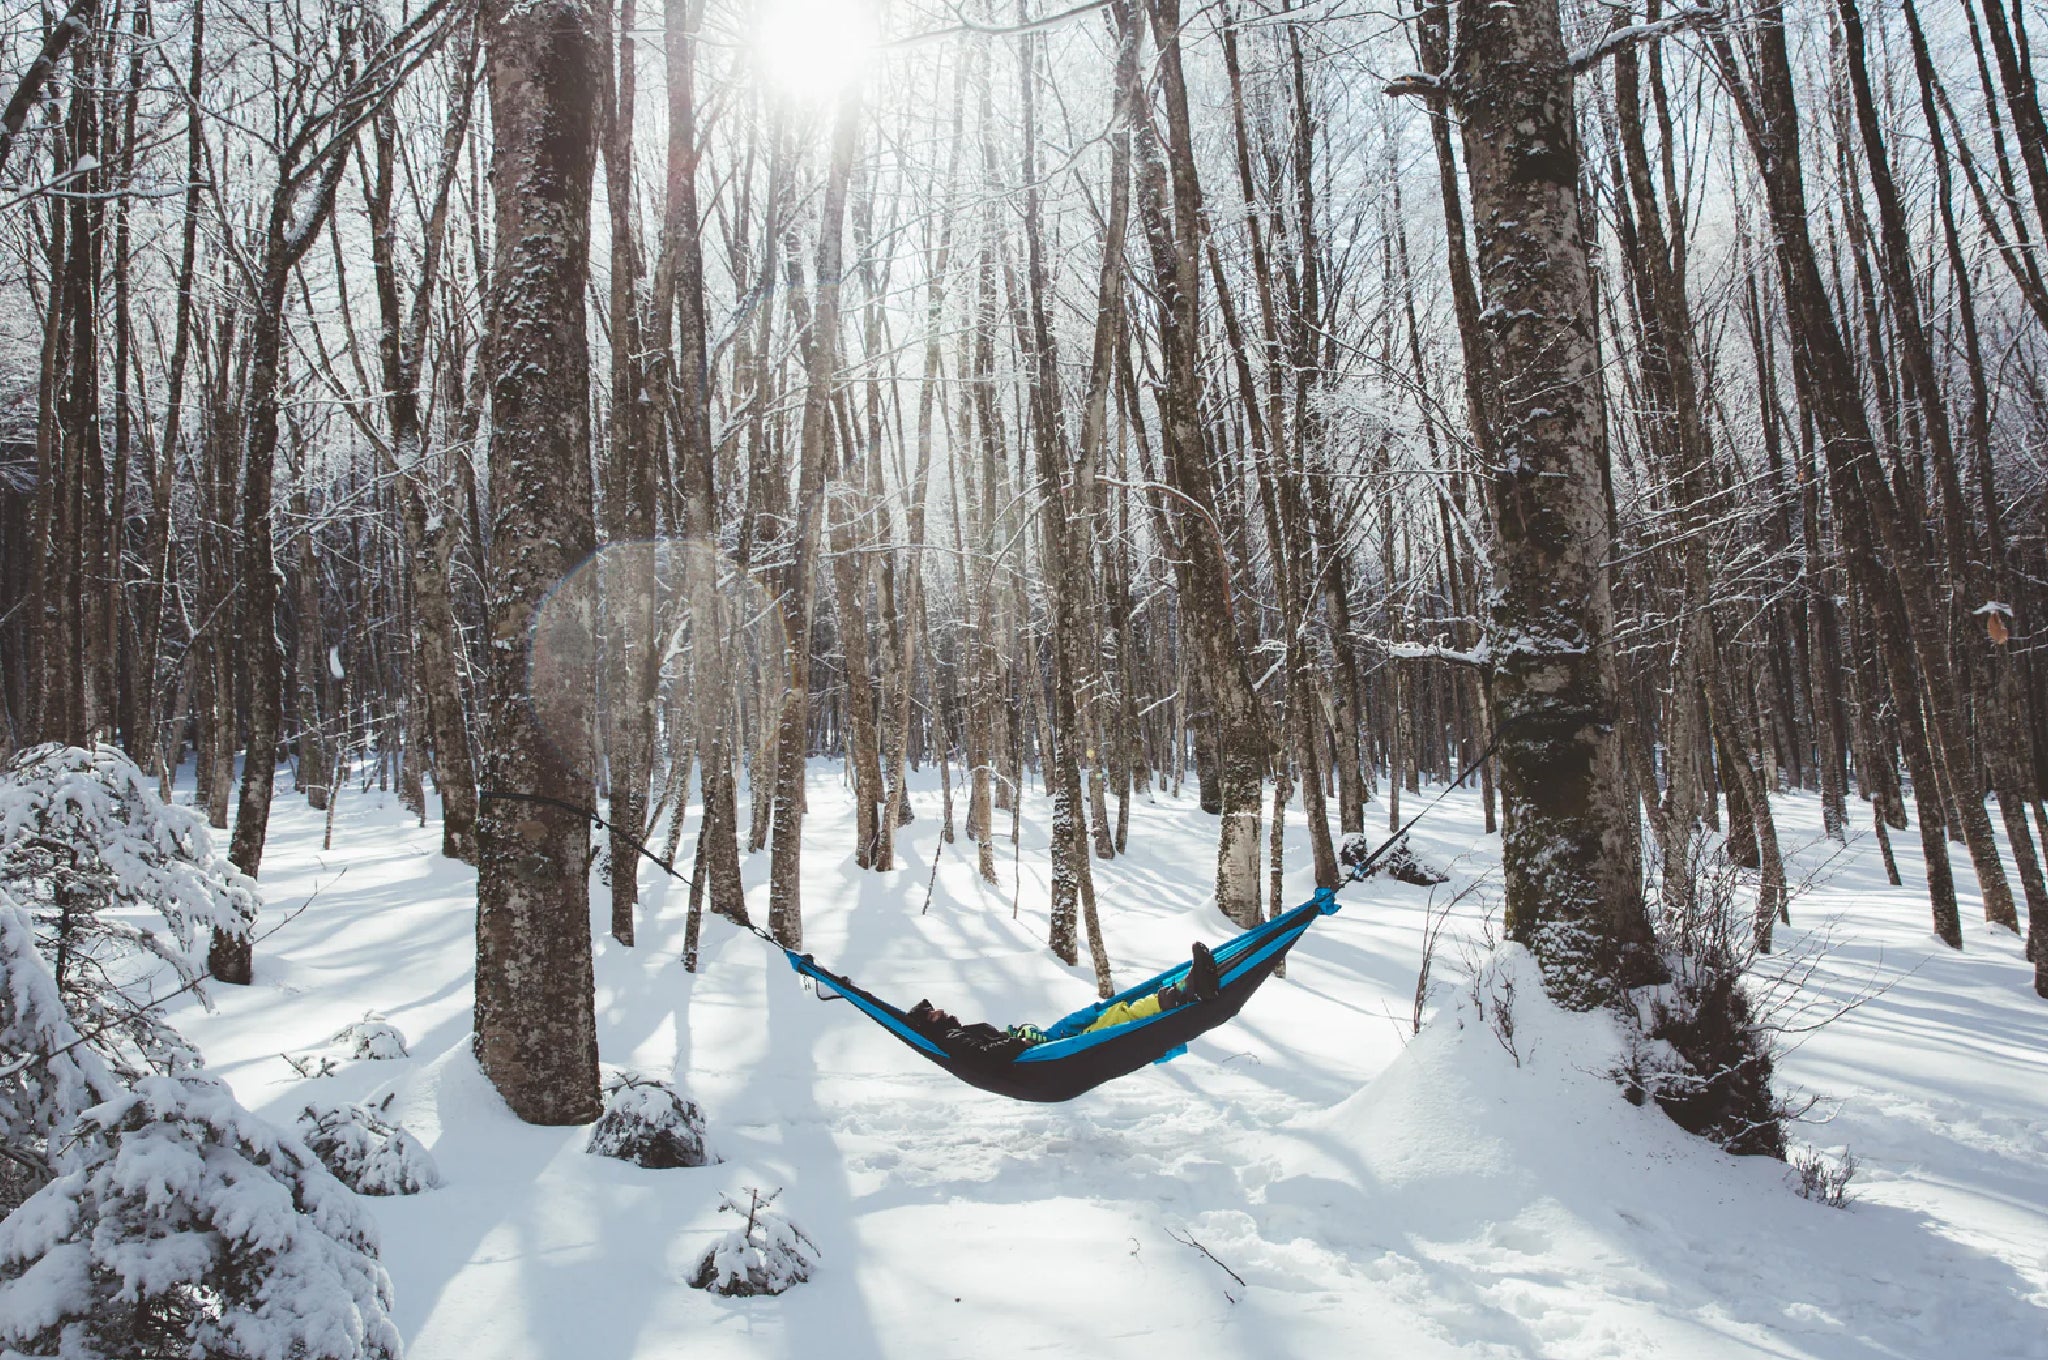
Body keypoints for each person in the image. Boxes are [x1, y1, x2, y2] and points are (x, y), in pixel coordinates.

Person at [905, 942, 1220, 1061]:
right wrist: (1020, 1042)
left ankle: (1181, 990)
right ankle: (1184, 992)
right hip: (1043, 1057)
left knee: (1106, 1014)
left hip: (1046, 1042)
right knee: (1118, 1022)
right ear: (930, 1024)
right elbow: (984, 1056)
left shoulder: (956, 1031)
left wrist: (1020, 1034)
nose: (941, 1011)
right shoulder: (952, 1037)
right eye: (933, 1013)